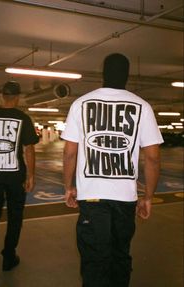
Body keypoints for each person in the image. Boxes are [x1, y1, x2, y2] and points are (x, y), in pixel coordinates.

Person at [61, 53, 163, 287]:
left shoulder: (81, 103)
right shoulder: (142, 107)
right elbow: (153, 158)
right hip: (125, 200)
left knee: (94, 261)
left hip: (92, 198)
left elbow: (69, 153)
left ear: (103, 74)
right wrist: (147, 197)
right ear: (127, 75)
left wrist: (68, 187)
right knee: (120, 256)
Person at [0, 81, 39, 282]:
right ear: (17, 97)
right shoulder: (23, 118)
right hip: (15, 178)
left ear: (2, 96)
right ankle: (9, 257)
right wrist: (31, 175)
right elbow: (29, 149)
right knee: (15, 217)